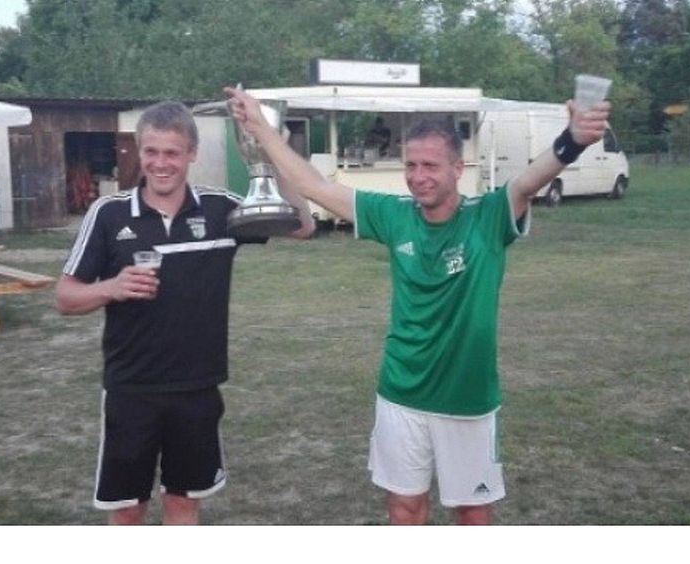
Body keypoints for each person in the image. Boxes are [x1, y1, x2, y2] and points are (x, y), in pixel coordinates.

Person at [225, 85, 610, 525]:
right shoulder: (394, 215)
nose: (419, 175)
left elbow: (530, 178)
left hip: (468, 399)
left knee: (472, 513)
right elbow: (313, 185)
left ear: (457, 169)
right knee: (405, 509)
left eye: (430, 165)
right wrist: (260, 128)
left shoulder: (486, 217)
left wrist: (573, 140)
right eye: (411, 165)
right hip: (401, 394)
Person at [55, 101, 313, 525]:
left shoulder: (219, 210)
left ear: (191, 153)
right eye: (151, 152)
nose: (160, 164)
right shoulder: (109, 213)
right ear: (139, 152)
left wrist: (271, 158)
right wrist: (112, 287)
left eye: (172, 153)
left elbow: (302, 227)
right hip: (131, 388)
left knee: (183, 503)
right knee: (127, 508)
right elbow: (65, 297)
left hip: (196, 388)